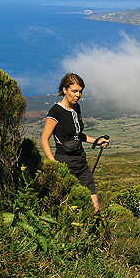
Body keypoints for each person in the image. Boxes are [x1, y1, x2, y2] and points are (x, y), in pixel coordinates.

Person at [40, 73, 109, 215]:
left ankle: (88, 234)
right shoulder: (56, 111)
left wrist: (96, 141)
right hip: (65, 162)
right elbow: (44, 140)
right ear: (64, 90)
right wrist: (54, 165)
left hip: (81, 162)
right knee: (70, 209)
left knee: (95, 207)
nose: (78, 95)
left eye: (80, 91)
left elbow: (77, 135)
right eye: (74, 91)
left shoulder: (77, 108)